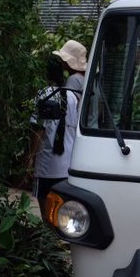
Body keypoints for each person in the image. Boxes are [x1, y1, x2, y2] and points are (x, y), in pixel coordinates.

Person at [28, 55, 79, 218]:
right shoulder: (72, 96)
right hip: (66, 167)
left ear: (46, 74)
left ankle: (49, 240)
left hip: (46, 166)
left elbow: (39, 129)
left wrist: (29, 157)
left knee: (46, 214)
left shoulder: (44, 94)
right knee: (62, 213)